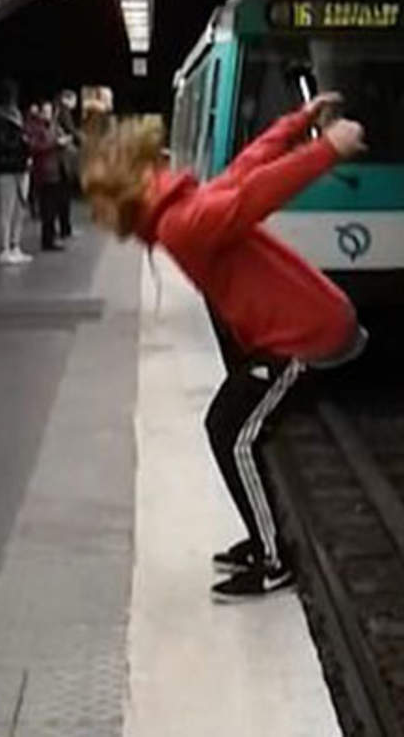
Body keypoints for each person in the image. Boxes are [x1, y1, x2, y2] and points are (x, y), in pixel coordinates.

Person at [82, 93, 369, 601]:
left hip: (303, 334)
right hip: (295, 327)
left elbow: (253, 192)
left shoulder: (180, 222)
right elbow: (248, 168)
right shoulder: (183, 211)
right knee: (228, 427)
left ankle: (273, 560)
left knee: (234, 436)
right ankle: (263, 538)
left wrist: (324, 149)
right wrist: (300, 123)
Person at [0, 79, 31, 264]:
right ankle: (6, 248)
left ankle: (15, 245)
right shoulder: (1, 120)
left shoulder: (15, 117)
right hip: (8, 168)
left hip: (19, 167)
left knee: (19, 209)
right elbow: (2, 144)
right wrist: (22, 142)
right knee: (8, 210)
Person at [26, 99, 65, 251]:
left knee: (53, 207)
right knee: (47, 208)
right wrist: (55, 143)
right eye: (45, 111)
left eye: (50, 111)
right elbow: (35, 147)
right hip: (43, 172)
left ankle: (51, 236)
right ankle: (47, 240)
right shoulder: (36, 128)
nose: (48, 114)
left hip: (54, 170)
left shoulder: (52, 126)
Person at [56, 89, 81, 238]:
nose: (75, 103)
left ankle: (65, 227)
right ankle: (65, 228)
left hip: (62, 158)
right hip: (64, 159)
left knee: (62, 194)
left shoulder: (58, 111)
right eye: (74, 100)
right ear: (67, 99)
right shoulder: (64, 113)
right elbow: (71, 131)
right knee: (64, 194)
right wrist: (81, 139)